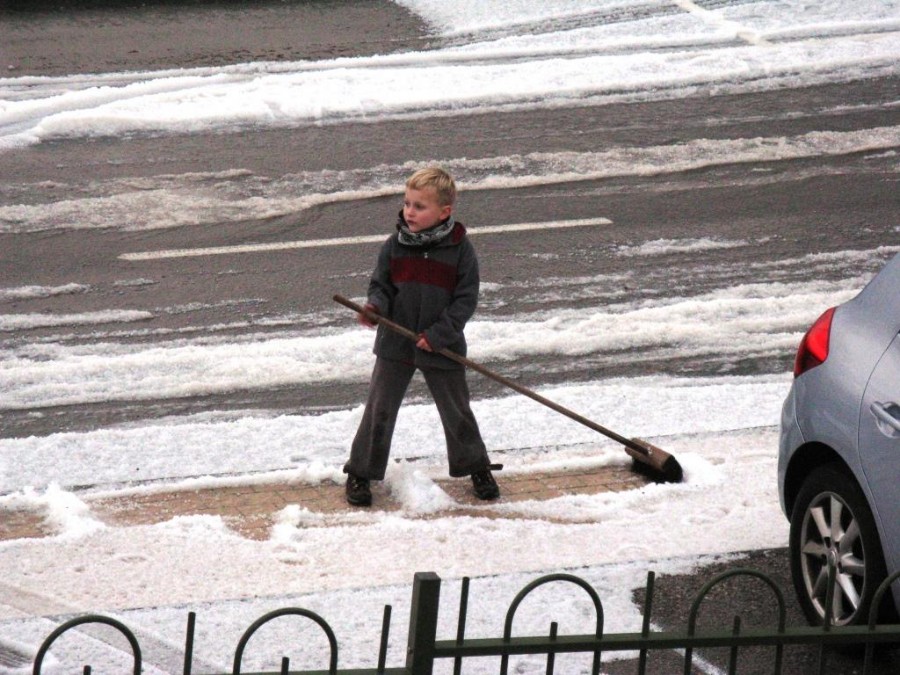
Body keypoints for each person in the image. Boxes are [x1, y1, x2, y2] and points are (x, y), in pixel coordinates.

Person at [343, 167, 500, 506]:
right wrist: (375, 309)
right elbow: (381, 286)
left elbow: (465, 299)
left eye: (419, 206)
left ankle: (476, 466)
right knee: (379, 410)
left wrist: (440, 334)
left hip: (442, 345)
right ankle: (360, 472)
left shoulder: (460, 250)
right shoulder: (394, 246)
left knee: (457, 411)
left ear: (444, 212)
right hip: (395, 342)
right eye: (407, 204)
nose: (409, 212)